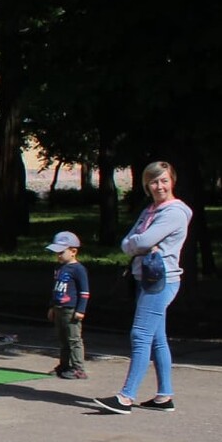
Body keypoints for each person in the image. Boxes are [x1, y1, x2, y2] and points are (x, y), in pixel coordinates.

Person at [91, 161, 191, 414]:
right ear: (147, 185)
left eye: (164, 180)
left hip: (161, 280)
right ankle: (164, 396)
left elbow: (141, 240)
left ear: (173, 181)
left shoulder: (174, 212)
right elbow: (129, 243)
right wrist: (139, 243)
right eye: (154, 182)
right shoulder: (150, 211)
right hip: (145, 278)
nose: (159, 186)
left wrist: (139, 243)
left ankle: (126, 397)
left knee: (140, 335)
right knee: (157, 339)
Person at [46, 231, 90, 380]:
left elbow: (84, 292)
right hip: (59, 308)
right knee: (63, 339)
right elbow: (55, 289)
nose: (58, 256)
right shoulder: (59, 268)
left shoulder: (78, 269)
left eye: (61, 252)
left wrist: (81, 310)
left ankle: (78, 368)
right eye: (56, 253)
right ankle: (63, 365)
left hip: (71, 309)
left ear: (73, 251)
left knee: (74, 339)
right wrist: (52, 306)